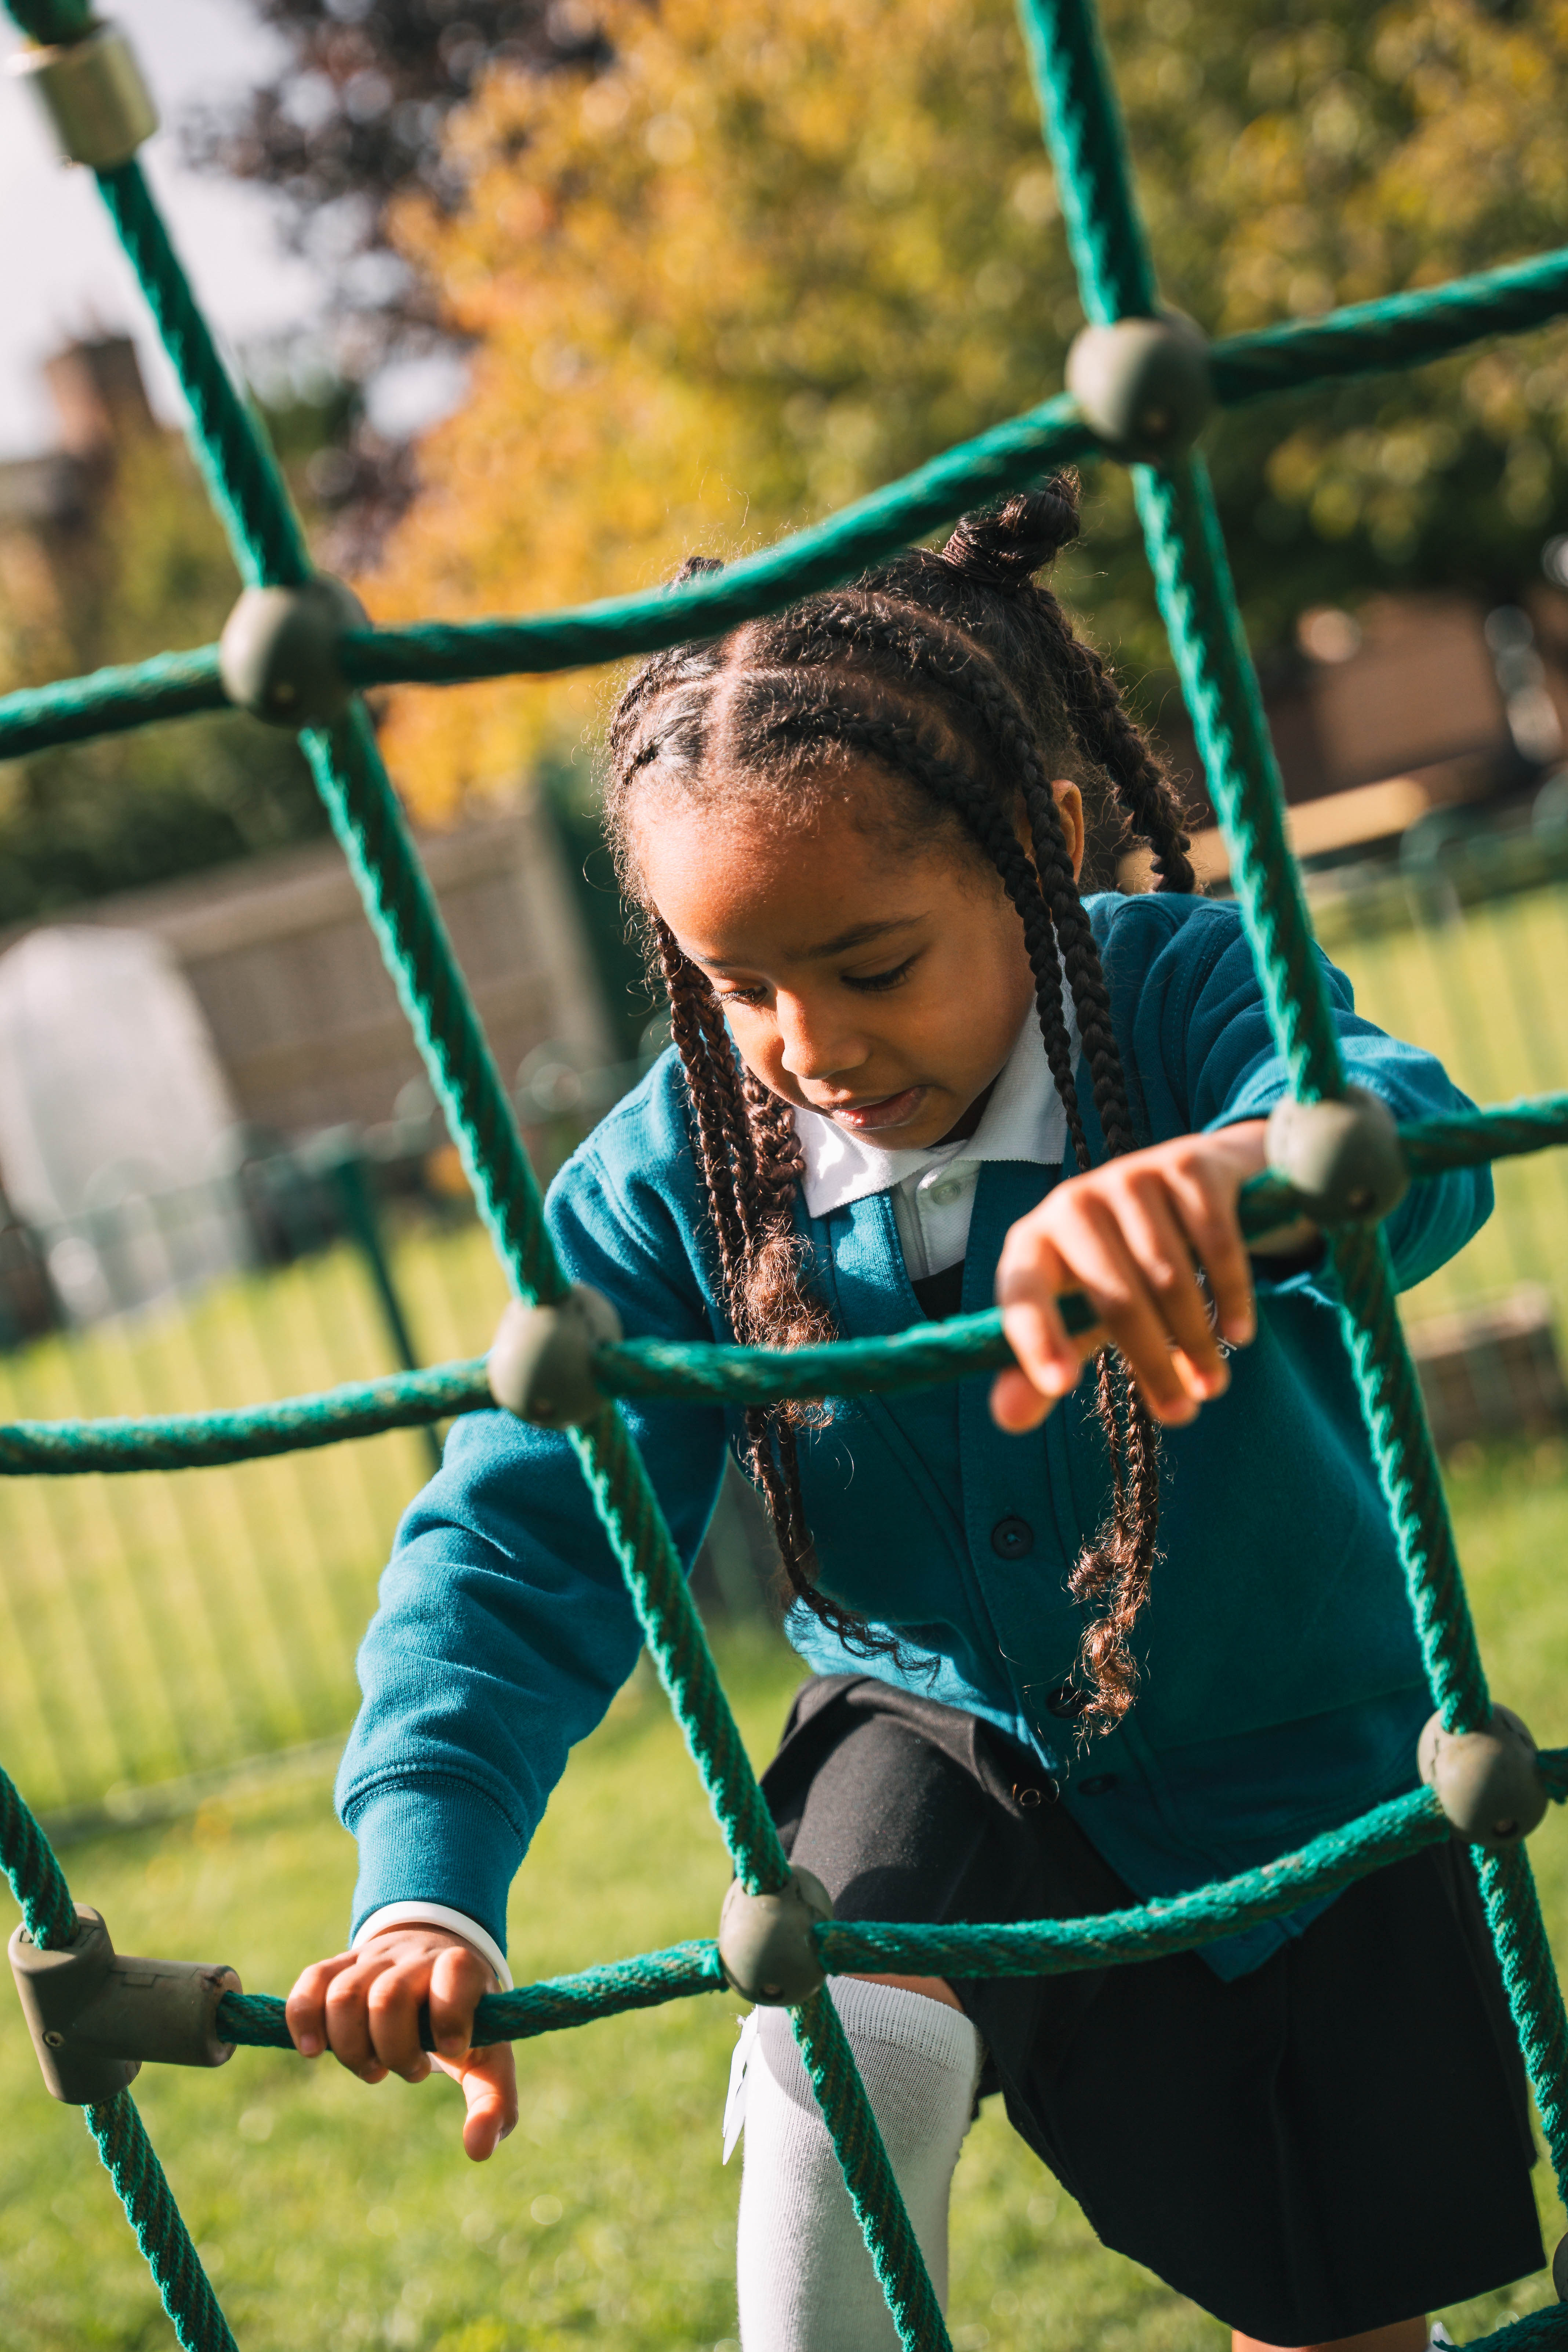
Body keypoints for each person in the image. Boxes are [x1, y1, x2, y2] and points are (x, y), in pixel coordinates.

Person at [286, 478, 1540, 2352]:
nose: (804, 1045)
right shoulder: (682, 1171)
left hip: (1305, 1768)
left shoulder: (1178, 990)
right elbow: (525, 1526)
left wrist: (1241, 1178)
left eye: (870, 965)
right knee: (835, 2000)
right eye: (735, 986)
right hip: (937, 1726)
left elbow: (1409, 1135)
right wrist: (428, 1884)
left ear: (1035, 846)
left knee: (1334, 2324)